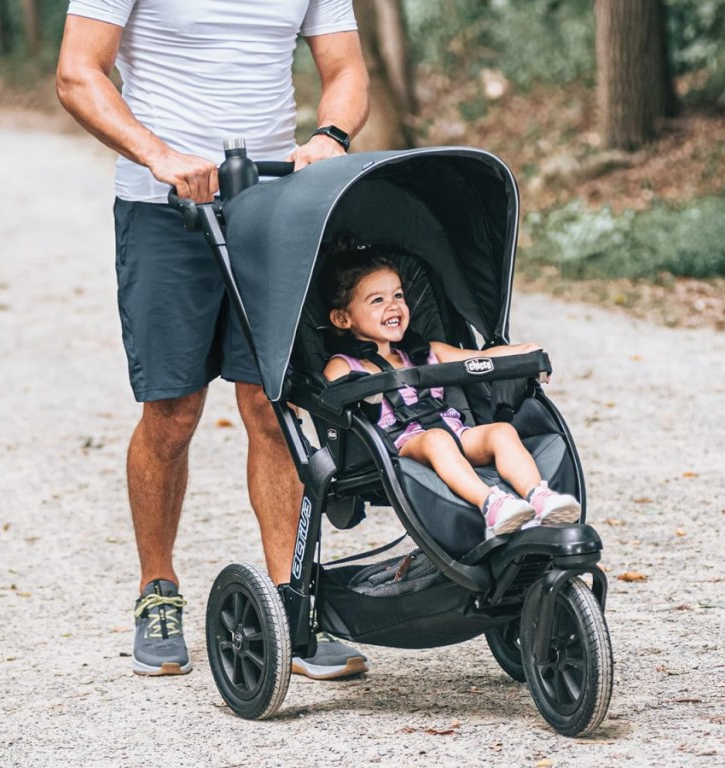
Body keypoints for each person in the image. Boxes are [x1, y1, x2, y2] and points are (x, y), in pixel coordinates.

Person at [55, 1, 370, 680]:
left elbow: (344, 69)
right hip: (162, 208)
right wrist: (159, 154)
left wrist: (331, 136)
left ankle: (293, 604)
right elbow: (78, 72)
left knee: (272, 402)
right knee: (171, 412)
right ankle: (157, 592)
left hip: (273, 204)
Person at [321, 249, 582, 536]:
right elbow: (331, 398)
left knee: (500, 432)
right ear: (343, 319)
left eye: (398, 296)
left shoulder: (429, 352)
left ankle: (539, 497)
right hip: (400, 447)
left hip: (456, 434)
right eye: (378, 300)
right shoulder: (343, 365)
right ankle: (493, 504)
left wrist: (523, 354)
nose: (394, 306)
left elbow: (483, 359)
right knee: (435, 439)